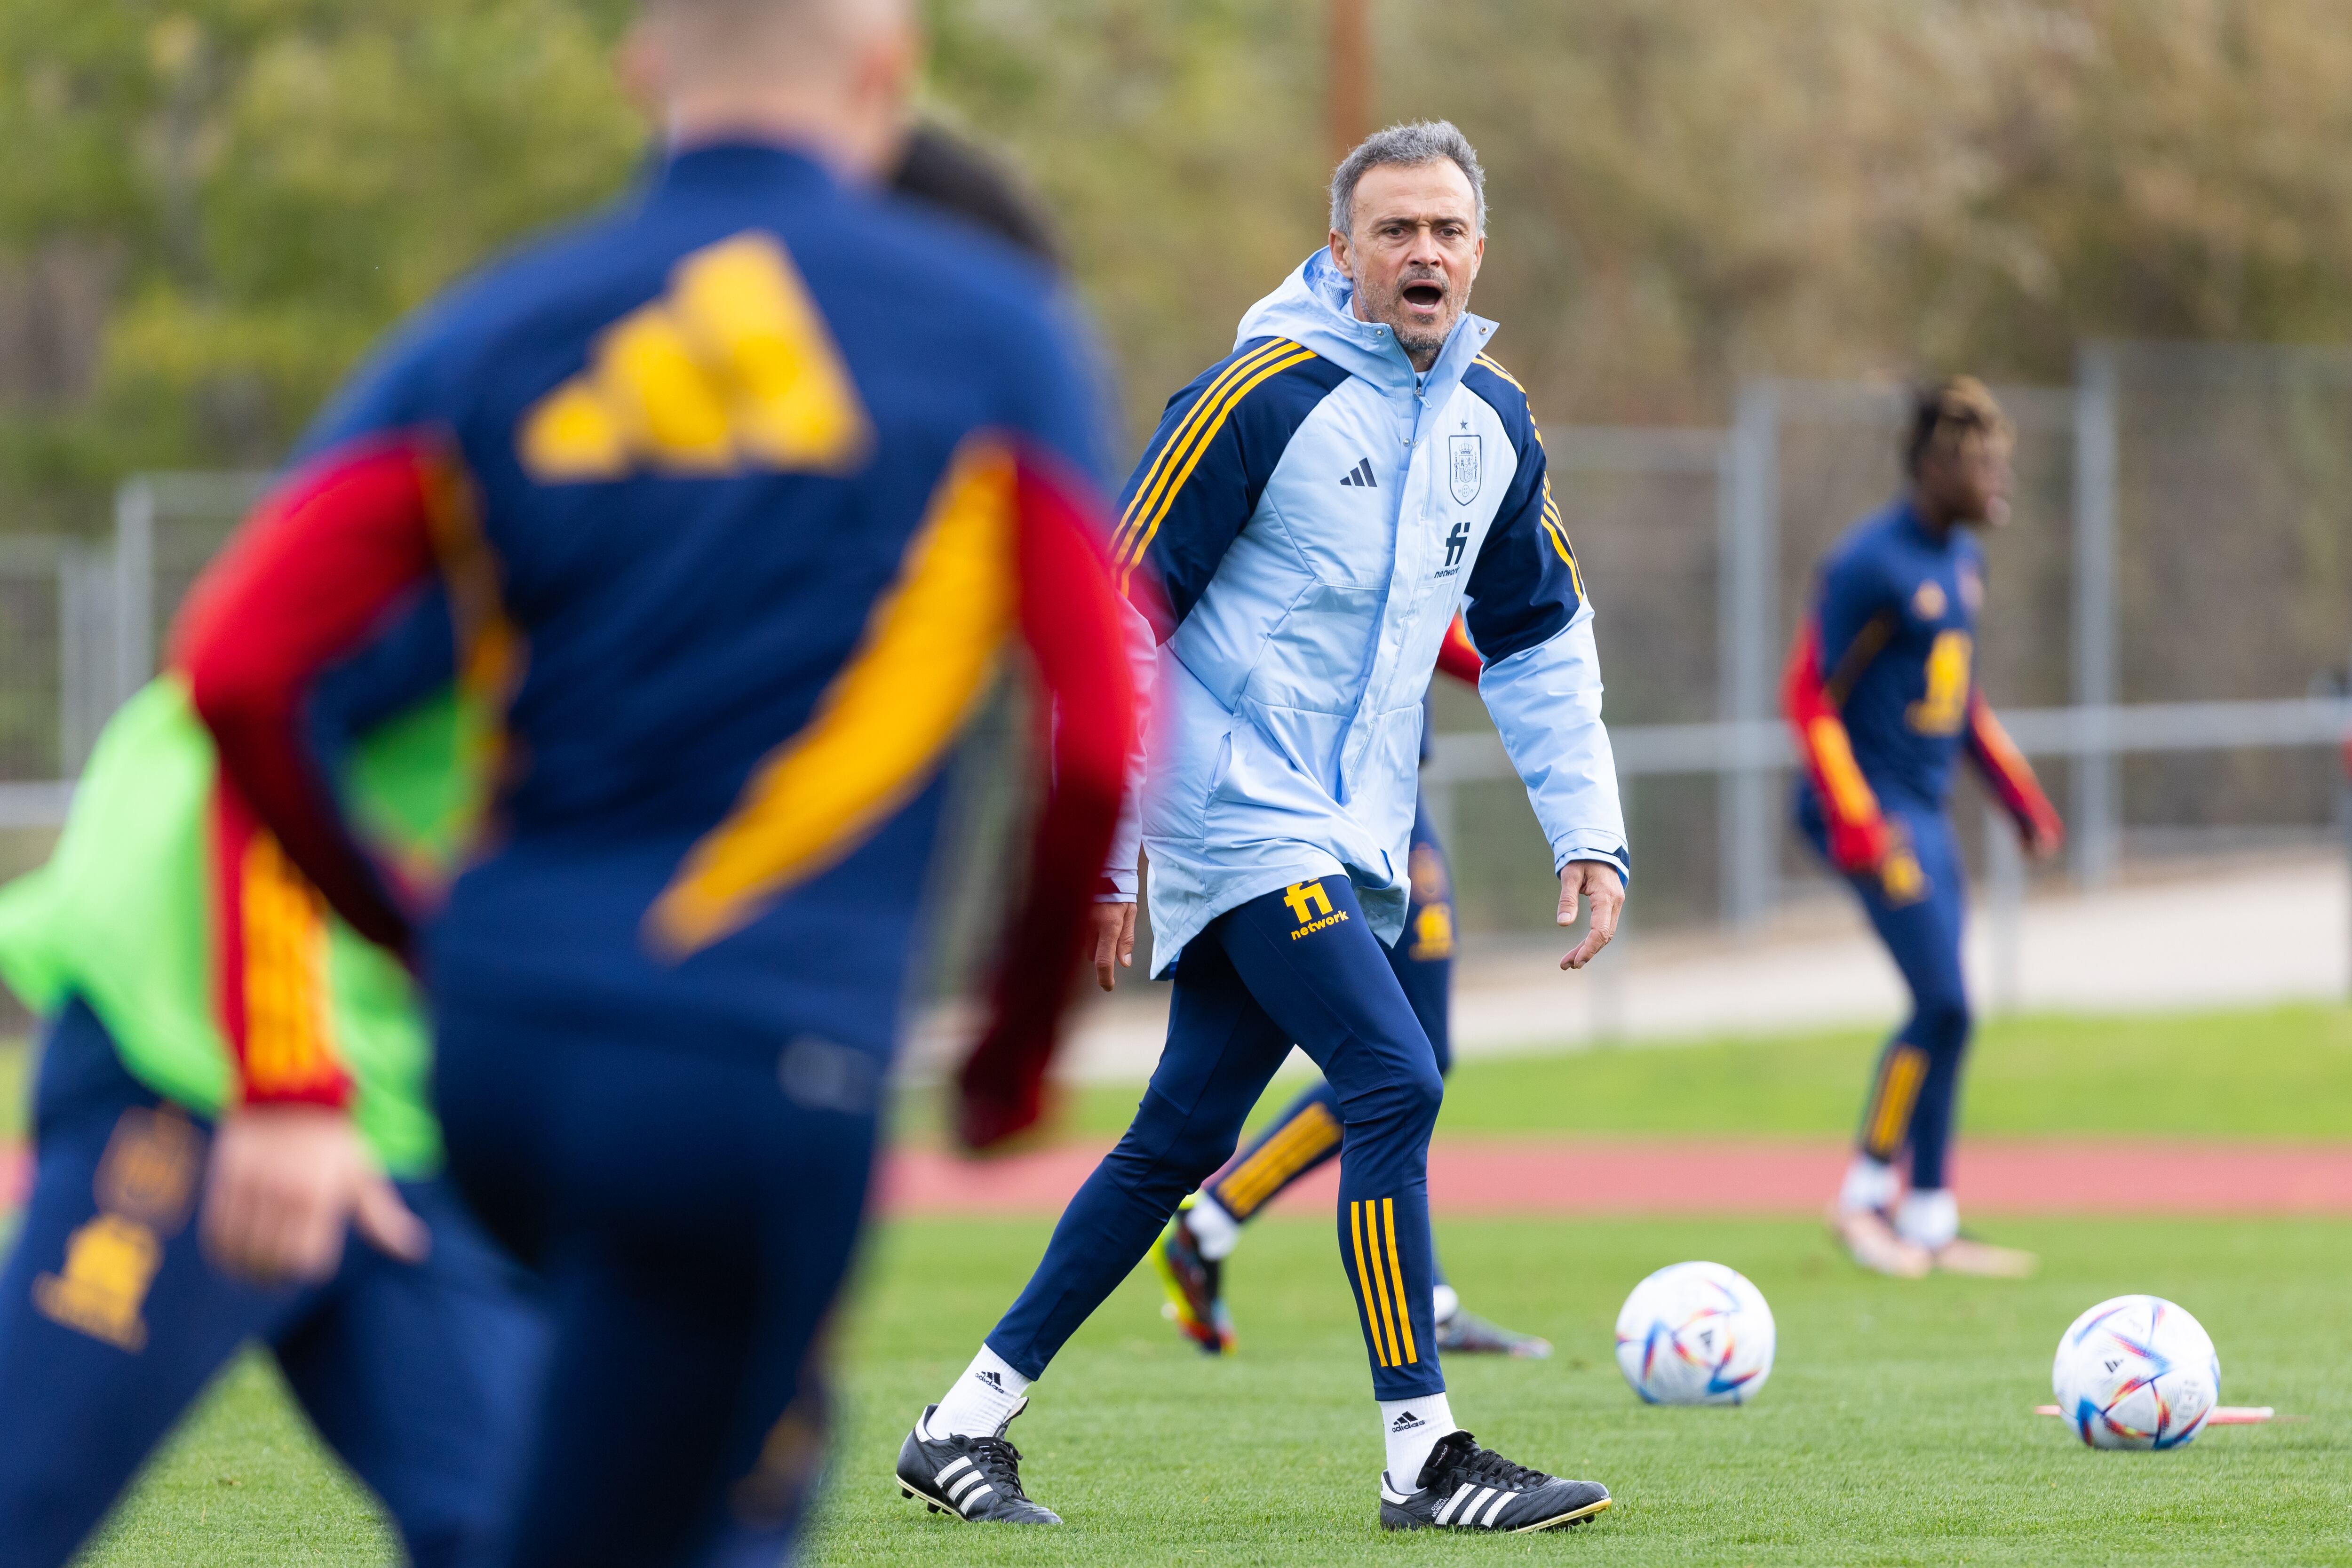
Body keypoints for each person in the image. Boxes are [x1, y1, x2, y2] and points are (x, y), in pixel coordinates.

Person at [172, 1, 1137, 1562]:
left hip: (496, 1060)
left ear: (643, 65)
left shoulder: (490, 326)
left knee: (719, 1481)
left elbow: (237, 665)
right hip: (745, 1065)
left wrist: (411, 926)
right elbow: (1092, 737)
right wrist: (1012, 1056)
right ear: (888, 70)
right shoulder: (992, 329)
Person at [898, 121, 1629, 1534]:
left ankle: (963, 1418)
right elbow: (1112, 611)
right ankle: (1423, 1451)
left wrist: (1586, 829)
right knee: (1394, 1071)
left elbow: (1540, 637)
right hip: (1226, 802)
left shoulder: (1495, 423)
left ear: (1481, 250)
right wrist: (1104, 849)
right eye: (1396, 230)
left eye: (1448, 231)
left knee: (1177, 1135)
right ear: (1342, 246)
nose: (1425, 254)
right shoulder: (1257, 396)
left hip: (1344, 824)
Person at [0, 639, 544, 1568]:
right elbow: (263, 685)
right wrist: (286, 1079)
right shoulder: (496, 499)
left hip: (406, 1100)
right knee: (22, 1499)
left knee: (530, 1530)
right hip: (196, 1049)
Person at [1152, 615, 1551, 1359]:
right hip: (1322, 798)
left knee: (1410, 1060)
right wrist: (1523, 660)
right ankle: (1225, 1222)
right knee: (1398, 1062)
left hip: (1388, 790)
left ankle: (1214, 1222)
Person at [1783, 376, 2064, 1280]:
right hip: (1869, 813)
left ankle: (1933, 1214)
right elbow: (1807, 696)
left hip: (1926, 814)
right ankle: (1865, 1198)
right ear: (1936, 466)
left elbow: (1963, 700)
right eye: (1984, 463)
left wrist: (2018, 796)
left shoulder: (1962, 564)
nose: (1999, 480)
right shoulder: (1870, 562)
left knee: (1955, 1013)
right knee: (1940, 1000)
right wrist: (1859, 818)